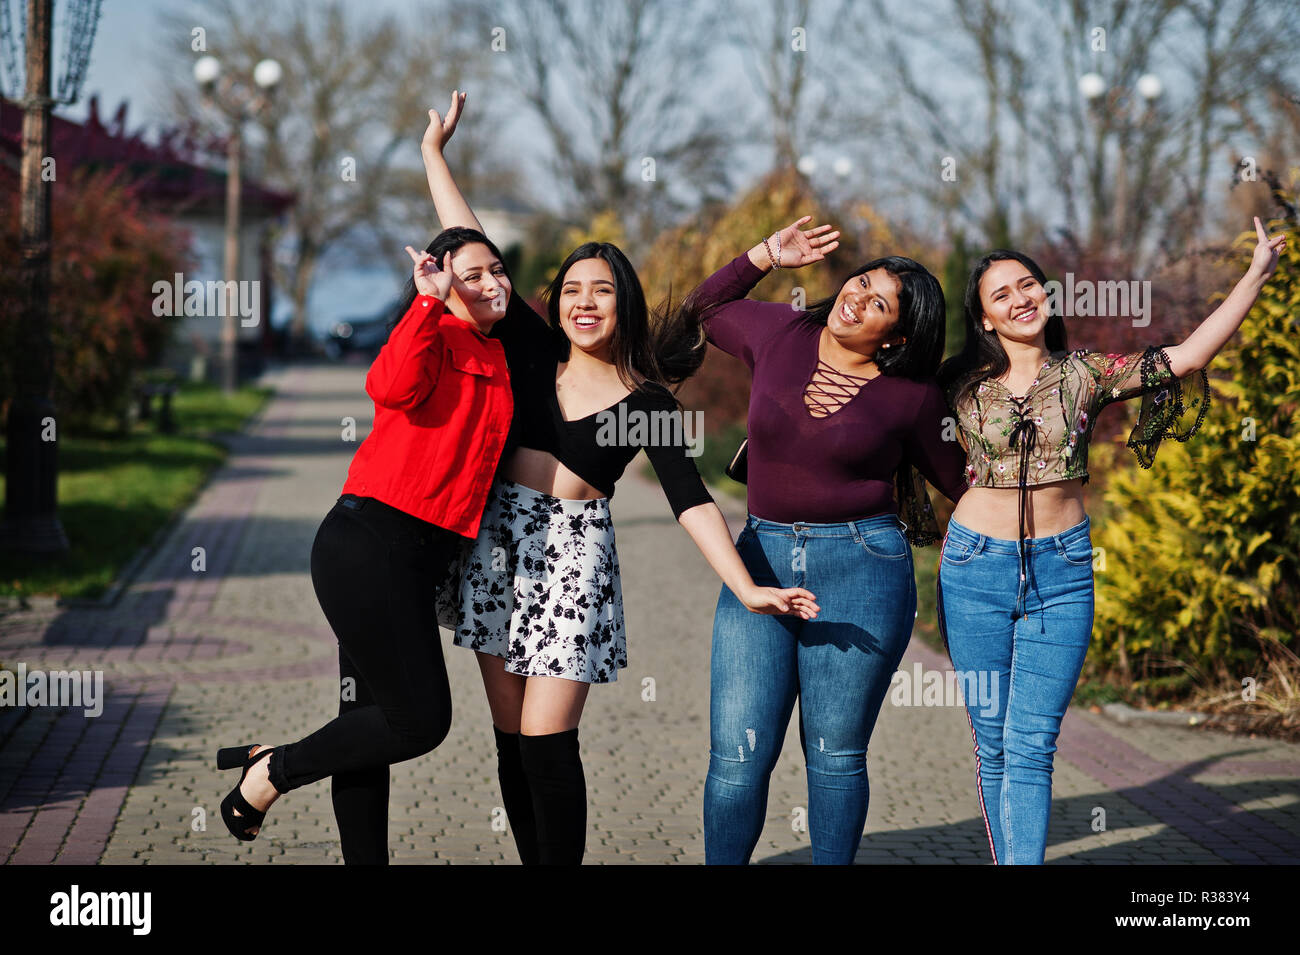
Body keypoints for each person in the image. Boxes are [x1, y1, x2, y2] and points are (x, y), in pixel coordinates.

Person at [421, 91, 819, 865]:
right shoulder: (530, 349)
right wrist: (434, 155)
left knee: (546, 740)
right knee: (509, 738)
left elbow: (693, 501)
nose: (583, 301)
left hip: (573, 563)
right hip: (498, 548)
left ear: (622, 304)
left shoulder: (646, 400)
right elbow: (468, 248)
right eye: (572, 289)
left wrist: (745, 585)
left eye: (601, 289)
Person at [935, 218, 1287, 865]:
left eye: (1028, 285)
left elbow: (1187, 358)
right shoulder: (957, 384)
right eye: (1001, 294)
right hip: (973, 569)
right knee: (994, 741)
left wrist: (1254, 275)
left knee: (1034, 741)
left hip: (1062, 571)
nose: (1020, 299)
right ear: (983, 319)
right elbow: (873, 395)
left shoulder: (1086, 373)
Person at [215, 228, 517, 864]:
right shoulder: (432, 329)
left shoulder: (500, 349)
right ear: (444, 283)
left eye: (498, 269)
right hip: (371, 544)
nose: (492, 283)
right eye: (473, 275)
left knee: (368, 725)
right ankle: (271, 772)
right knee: (420, 721)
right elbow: (390, 388)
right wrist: (427, 302)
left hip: (410, 561)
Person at [677, 217, 969, 864]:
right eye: (860, 282)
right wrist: (763, 256)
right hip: (760, 558)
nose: (856, 298)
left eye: (878, 302)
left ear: (897, 334)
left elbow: (961, 487)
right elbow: (704, 307)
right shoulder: (784, 331)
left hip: (861, 568)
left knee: (835, 753)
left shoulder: (913, 397)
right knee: (736, 753)